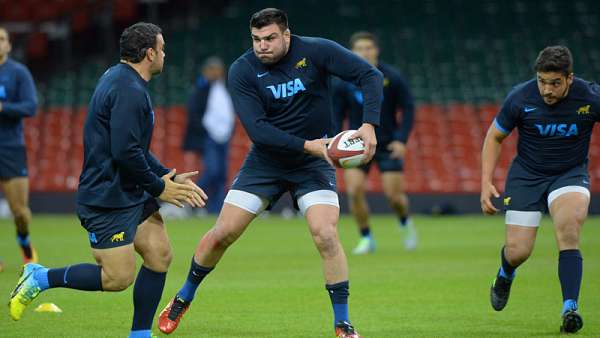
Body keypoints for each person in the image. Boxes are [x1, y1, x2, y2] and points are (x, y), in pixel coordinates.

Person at [158, 8, 381, 338]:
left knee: (326, 234)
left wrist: (368, 124)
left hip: (313, 165)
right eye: (257, 39)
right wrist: (312, 145)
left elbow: (370, 76)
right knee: (223, 233)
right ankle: (183, 297)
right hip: (267, 162)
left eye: (270, 38)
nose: (262, 45)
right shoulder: (242, 71)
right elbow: (259, 131)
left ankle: (343, 323)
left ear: (287, 35)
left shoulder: (317, 51)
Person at [8, 22, 207, 338]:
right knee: (118, 278)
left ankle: (139, 334)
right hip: (107, 196)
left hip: (128, 189)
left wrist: (164, 174)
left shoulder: (124, 79)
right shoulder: (127, 89)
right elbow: (124, 153)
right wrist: (160, 188)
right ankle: (40, 278)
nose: (166, 55)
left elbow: (134, 148)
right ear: (149, 53)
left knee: (159, 253)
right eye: (163, 49)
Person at [481, 46, 599, 334]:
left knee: (569, 229)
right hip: (527, 176)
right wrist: (485, 181)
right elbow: (494, 137)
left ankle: (569, 308)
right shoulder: (521, 97)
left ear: (569, 78)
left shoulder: (591, 97)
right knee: (519, 251)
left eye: (555, 83)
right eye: (542, 81)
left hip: (569, 174)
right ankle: (505, 274)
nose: (547, 89)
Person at [332, 31, 416, 254]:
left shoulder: (392, 77)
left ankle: (405, 222)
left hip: (387, 143)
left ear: (376, 50)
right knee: (354, 191)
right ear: (352, 52)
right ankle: (366, 238)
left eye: (368, 47)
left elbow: (408, 109)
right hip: (356, 145)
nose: (364, 52)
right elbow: (337, 115)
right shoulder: (343, 82)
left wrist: (401, 140)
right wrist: (332, 141)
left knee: (394, 197)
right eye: (359, 48)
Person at [0, 26, 39, 270]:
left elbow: (31, 107)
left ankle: (23, 239)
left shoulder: (18, 73)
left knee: (20, 212)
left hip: (10, 147)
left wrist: (4, 108)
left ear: (9, 45)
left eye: (1, 39)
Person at [183, 56, 235, 214]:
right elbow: (194, 113)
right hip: (209, 137)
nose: (217, 73)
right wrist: (205, 132)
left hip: (224, 138)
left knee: (221, 174)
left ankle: (216, 209)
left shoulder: (223, 88)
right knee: (212, 171)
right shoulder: (201, 89)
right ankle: (191, 201)